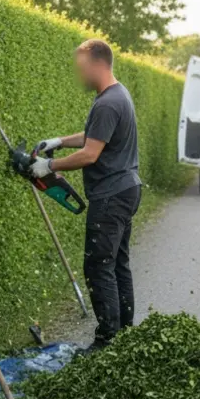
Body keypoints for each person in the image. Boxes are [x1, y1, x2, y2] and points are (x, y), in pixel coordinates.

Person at [30, 39, 142, 348]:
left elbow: (91, 154)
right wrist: (60, 141)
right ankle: (125, 335)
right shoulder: (118, 94)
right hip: (126, 189)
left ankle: (107, 341)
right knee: (117, 264)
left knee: (98, 266)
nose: (79, 74)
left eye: (82, 68)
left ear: (97, 64)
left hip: (110, 196)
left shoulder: (107, 103)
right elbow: (95, 136)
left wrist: (48, 165)